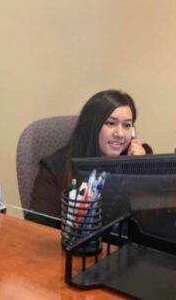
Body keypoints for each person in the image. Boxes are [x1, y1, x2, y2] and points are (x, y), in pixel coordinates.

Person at [25, 90, 152, 228]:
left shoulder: (139, 156)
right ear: (92, 126)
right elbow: (37, 227)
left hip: (127, 247)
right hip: (75, 247)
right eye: (110, 123)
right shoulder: (54, 166)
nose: (120, 134)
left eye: (127, 125)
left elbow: (153, 220)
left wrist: (139, 168)